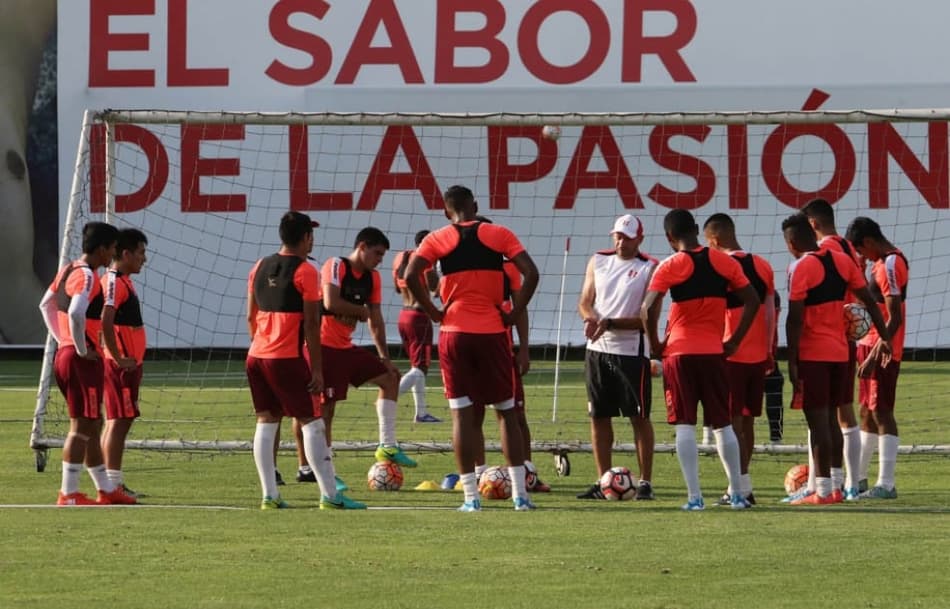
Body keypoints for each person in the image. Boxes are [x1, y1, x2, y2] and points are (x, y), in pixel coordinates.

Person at [403, 185, 539, 511]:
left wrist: (435, 312)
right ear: (475, 206)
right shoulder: (498, 233)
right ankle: (520, 495)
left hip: (453, 333)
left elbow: (410, 274)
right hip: (492, 331)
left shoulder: (437, 238)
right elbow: (531, 273)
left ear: (447, 212)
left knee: (461, 416)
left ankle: (470, 498)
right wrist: (513, 312)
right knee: (507, 412)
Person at [641, 209, 759, 511]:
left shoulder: (670, 265)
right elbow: (753, 300)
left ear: (670, 238)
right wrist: (733, 341)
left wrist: (655, 343)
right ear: (696, 228)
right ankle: (736, 494)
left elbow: (647, 308)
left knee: (684, 426)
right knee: (723, 424)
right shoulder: (724, 261)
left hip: (679, 354)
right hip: (713, 352)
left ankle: (694, 497)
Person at [246, 211, 364, 510]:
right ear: (305, 237)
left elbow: (250, 315)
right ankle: (331, 496)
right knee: (313, 422)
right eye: (311, 234)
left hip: (256, 355)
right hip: (285, 357)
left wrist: (261, 344)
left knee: (267, 420)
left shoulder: (259, 265)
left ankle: (269, 496)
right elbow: (312, 324)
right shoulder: (307, 271)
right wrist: (317, 369)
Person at [782, 213, 890, 505]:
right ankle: (838, 486)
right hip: (842, 353)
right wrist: (884, 336)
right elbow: (868, 301)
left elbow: (794, 319)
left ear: (792, 242)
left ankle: (823, 490)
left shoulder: (800, 267)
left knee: (818, 422)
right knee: (833, 419)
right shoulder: (843, 262)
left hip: (813, 355)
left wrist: (791, 361)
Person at [38, 221, 136, 505]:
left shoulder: (68, 268)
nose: (113, 256)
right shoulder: (88, 275)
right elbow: (77, 313)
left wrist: (62, 340)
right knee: (81, 426)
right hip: (80, 359)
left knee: (93, 424)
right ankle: (68, 493)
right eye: (113, 250)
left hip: (67, 354)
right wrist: (79, 348)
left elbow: (46, 304)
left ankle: (105, 489)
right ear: (103, 249)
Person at [319, 227, 416, 474]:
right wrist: (360, 311)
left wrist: (384, 357)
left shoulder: (372, 278)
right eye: (377, 253)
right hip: (323, 348)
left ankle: (388, 445)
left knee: (390, 378)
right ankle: (326, 470)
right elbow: (330, 302)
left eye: (382, 256)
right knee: (326, 410)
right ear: (361, 247)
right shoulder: (336, 265)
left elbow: (376, 318)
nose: (380, 260)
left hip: (346, 348)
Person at [576, 214, 658, 501]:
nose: (621, 241)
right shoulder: (598, 260)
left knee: (639, 417)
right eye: (617, 236)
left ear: (640, 239)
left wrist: (610, 323)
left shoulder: (650, 267)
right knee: (599, 416)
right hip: (597, 351)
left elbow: (646, 320)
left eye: (627, 236)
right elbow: (585, 300)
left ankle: (645, 481)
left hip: (631, 353)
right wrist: (590, 319)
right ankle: (603, 480)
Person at [468, 216, 550, 493]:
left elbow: (520, 308)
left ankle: (527, 472)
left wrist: (524, 348)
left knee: (515, 414)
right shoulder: (459, 267)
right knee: (472, 415)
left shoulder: (508, 269)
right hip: (471, 350)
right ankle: (479, 474)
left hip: (503, 350)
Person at [703, 213, 776, 505]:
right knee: (747, 423)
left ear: (714, 240)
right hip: (758, 353)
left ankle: (736, 488)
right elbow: (770, 310)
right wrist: (770, 348)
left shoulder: (719, 266)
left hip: (729, 352)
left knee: (728, 423)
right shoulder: (763, 264)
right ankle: (744, 485)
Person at [800, 198, 864, 495]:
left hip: (828, 340)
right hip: (843, 338)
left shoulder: (827, 252)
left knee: (826, 413)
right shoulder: (847, 247)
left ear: (812, 224)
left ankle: (830, 484)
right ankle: (846, 482)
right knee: (839, 411)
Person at [846, 216, 908, 499]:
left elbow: (894, 316)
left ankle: (887, 483)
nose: (861, 255)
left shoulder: (893, 263)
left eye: (861, 250)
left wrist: (876, 351)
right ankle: (859, 479)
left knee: (882, 411)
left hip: (882, 351)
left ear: (869, 242)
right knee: (866, 412)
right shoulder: (879, 264)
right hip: (869, 343)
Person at [99, 228, 149, 498]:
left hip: (127, 364)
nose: (144, 259)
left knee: (118, 421)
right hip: (121, 367)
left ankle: (112, 480)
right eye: (141, 252)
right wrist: (118, 357)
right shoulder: (114, 282)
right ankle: (112, 483)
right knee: (119, 421)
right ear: (126, 253)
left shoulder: (122, 281)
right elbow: (106, 320)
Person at [392, 230, 441, 423]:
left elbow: (397, 288)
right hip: (419, 316)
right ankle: (389, 397)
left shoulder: (399, 258)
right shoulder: (425, 260)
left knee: (416, 366)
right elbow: (433, 287)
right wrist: (441, 281)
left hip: (403, 315)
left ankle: (421, 413)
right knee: (421, 367)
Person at [764, 294, 785, 443]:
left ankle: (776, 437)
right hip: (764, 352)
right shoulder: (773, 296)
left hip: (762, 353)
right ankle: (776, 437)